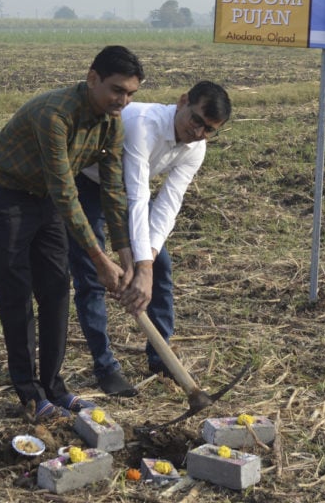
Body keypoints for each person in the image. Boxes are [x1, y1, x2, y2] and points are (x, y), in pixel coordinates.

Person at [0, 45, 144, 421]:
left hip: (43, 199)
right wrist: (100, 260)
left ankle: (54, 386)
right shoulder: (55, 114)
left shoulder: (112, 123)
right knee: (16, 295)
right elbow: (66, 191)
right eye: (117, 89)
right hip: (5, 197)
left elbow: (113, 190)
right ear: (92, 78)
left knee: (55, 289)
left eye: (131, 93)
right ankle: (29, 394)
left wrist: (126, 257)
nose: (123, 100)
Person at [68, 81, 232, 396]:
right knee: (92, 273)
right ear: (183, 101)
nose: (198, 132)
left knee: (162, 268)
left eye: (209, 130)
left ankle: (161, 359)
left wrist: (149, 263)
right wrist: (139, 267)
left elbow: (168, 204)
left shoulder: (196, 148)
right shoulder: (144, 125)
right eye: (196, 120)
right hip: (87, 184)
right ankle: (106, 367)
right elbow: (138, 198)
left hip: (126, 192)